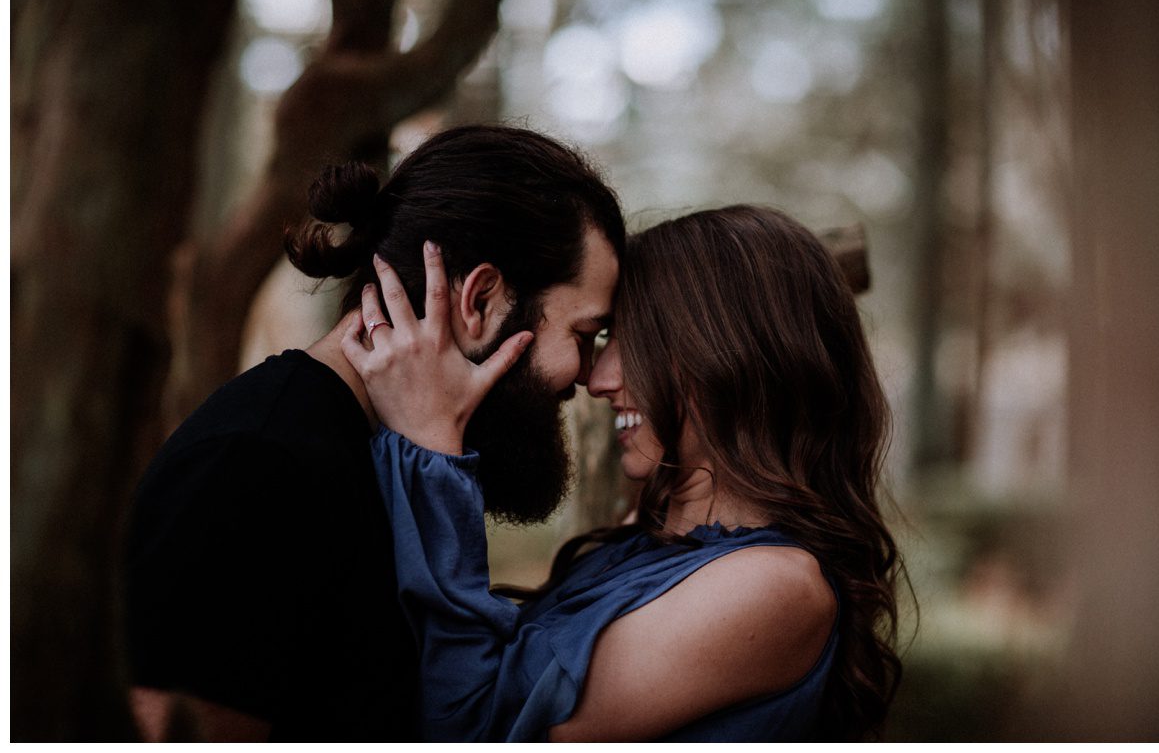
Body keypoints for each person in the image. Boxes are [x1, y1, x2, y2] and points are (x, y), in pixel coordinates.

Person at [122, 124, 625, 741]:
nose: (588, 376)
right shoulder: (255, 466)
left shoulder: (392, 457)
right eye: (581, 336)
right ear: (481, 299)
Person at [345, 204, 907, 742]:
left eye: (634, 342)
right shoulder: (658, 538)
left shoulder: (775, 587)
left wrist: (432, 444)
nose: (599, 378)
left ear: (730, 353)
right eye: (603, 339)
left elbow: (477, 728)